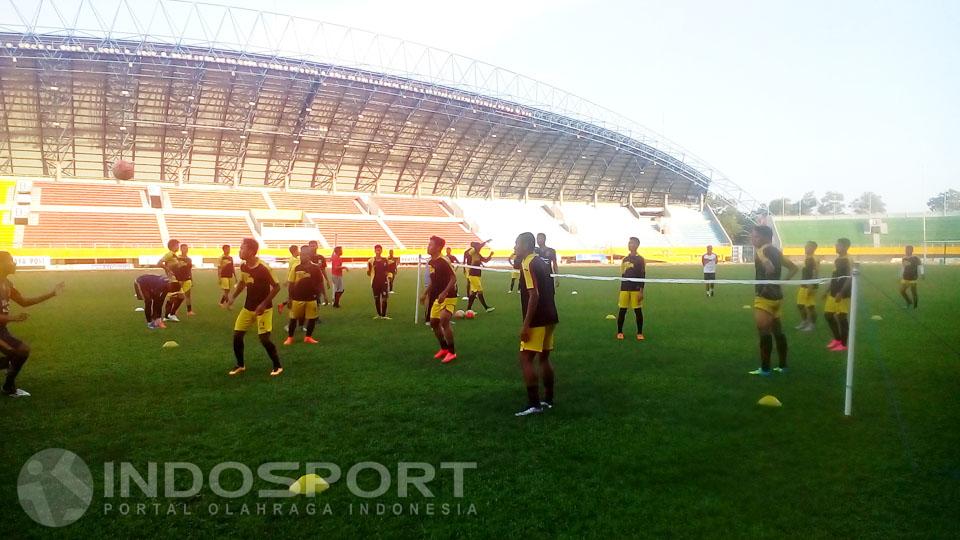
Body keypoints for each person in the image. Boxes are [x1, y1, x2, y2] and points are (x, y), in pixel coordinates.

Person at [0, 251, 65, 397]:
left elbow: (24, 302)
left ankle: (8, 387)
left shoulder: (7, 284)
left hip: (2, 330)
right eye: (11, 260)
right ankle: (8, 388)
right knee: (19, 352)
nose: (14, 263)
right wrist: (13, 318)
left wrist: (52, 293)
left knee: (18, 353)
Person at [222, 238, 283, 377]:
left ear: (250, 251)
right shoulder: (243, 266)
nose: (240, 250)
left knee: (264, 339)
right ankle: (240, 365)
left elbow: (277, 287)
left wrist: (263, 304)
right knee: (237, 336)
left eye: (242, 248)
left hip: (264, 309)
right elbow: (243, 283)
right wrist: (233, 297)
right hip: (248, 308)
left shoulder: (264, 268)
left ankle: (277, 366)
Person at [514, 232, 559, 416]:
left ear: (525, 245)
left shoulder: (528, 263)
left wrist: (526, 324)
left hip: (537, 318)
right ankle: (548, 399)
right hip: (551, 315)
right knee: (544, 358)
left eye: (516, 244)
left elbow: (534, 295)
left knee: (525, 359)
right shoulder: (542, 261)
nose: (515, 247)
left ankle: (534, 404)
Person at [749, 225, 798, 376]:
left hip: (764, 298)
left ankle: (765, 369)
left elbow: (768, 268)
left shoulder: (762, 251)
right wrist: (782, 283)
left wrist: (764, 287)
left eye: (755, 236)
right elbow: (794, 268)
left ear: (764, 237)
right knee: (778, 332)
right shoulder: (777, 251)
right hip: (777, 298)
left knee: (764, 333)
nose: (752, 239)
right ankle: (783, 366)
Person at [421, 235, 459, 364]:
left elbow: (454, 278)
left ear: (438, 248)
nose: (428, 247)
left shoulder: (444, 261)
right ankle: (444, 348)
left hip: (449, 296)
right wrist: (425, 293)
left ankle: (452, 352)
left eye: (430, 245)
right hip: (439, 297)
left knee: (444, 320)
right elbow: (433, 281)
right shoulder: (431, 262)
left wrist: (444, 292)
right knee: (433, 322)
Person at [284, 245, 322, 345]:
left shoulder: (315, 268)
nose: (302, 257)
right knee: (293, 318)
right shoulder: (296, 267)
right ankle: (290, 338)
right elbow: (291, 283)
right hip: (297, 298)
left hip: (311, 298)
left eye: (304, 255)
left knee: (312, 318)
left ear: (309, 256)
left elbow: (319, 282)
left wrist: (318, 294)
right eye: (301, 255)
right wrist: (289, 298)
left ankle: (308, 337)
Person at [824, 238, 852, 352]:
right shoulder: (837, 259)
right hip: (833, 293)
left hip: (842, 294)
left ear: (845, 247)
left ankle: (844, 344)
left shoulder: (848, 259)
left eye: (838, 245)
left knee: (841, 318)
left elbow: (849, 278)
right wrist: (827, 290)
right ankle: (837, 339)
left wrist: (842, 292)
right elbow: (834, 276)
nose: (836, 247)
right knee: (828, 315)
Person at [617, 237, 646, 341]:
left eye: (632, 243)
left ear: (637, 245)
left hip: (635, 289)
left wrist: (641, 291)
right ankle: (619, 332)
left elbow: (642, 276)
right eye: (629, 243)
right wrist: (621, 289)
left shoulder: (640, 259)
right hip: (624, 288)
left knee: (637, 311)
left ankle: (639, 333)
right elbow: (623, 274)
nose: (630, 245)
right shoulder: (625, 259)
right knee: (622, 310)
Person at [464, 240, 495, 313]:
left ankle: (468, 309)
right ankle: (486, 308)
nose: (480, 248)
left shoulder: (478, 254)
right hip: (473, 275)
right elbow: (479, 247)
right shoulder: (472, 251)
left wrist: (490, 255)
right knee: (480, 291)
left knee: (474, 292)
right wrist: (486, 242)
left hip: (477, 275)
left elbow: (485, 260)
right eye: (479, 247)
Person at [795, 241, 819, 331]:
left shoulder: (814, 259)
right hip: (803, 285)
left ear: (813, 248)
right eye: (805, 246)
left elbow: (814, 273)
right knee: (800, 305)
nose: (805, 248)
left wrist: (811, 286)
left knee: (810, 306)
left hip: (810, 285)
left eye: (807, 247)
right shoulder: (807, 258)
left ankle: (812, 325)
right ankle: (804, 321)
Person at [157, 239, 182, 320]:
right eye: (177, 245)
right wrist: (167, 269)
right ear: (173, 246)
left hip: (176, 278)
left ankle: (168, 315)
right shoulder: (169, 254)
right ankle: (170, 314)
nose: (178, 247)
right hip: (172, 279)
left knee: (177, 296)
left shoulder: (174, 255)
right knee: (178, 296)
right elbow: (159, 263)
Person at [367, 244, 391, 319]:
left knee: (384, 298)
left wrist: (389, 277)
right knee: (377, 298)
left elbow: (388, 270)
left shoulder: (385, 260)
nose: (378, 251)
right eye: (376, 249)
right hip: (375, 282)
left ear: (381, 251)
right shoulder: (371, 261)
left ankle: (384, 315)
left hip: (384, 282)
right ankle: (379, 314)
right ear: (374, 251)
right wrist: (371, 269)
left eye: (379, 249)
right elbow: (368, 273)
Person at [277, 244, 300, 314]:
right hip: (294, 280)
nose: (299, 251)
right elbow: (292, 270)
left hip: (294, 279)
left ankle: (282, 305)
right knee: (295, 296)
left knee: (293, 295)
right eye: (298, 250)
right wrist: (288, 281)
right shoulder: (294, 260)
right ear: (295, 251)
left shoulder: (293, 259)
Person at [308, 240, 331, 306]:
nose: (312, 247)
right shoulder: (306, 257)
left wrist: (327, 280)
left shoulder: (321, 257)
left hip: (318, 280)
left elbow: (323, 270)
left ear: (317, 246)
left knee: (317, 298)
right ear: (309, 247)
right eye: (311, 246)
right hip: (308, 280)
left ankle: (315, 314)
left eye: (314, 246)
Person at [178, 244, 195, 316]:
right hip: (179, 279)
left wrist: (191, 278)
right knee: (178, 295)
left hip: (187, 278)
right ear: (180, 249)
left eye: (186, 248)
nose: (185, 249)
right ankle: (175, 310)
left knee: (188, 295)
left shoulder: (189, 259)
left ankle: (189, 311)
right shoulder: (177, 258)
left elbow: (189, 270)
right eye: (184, 248)